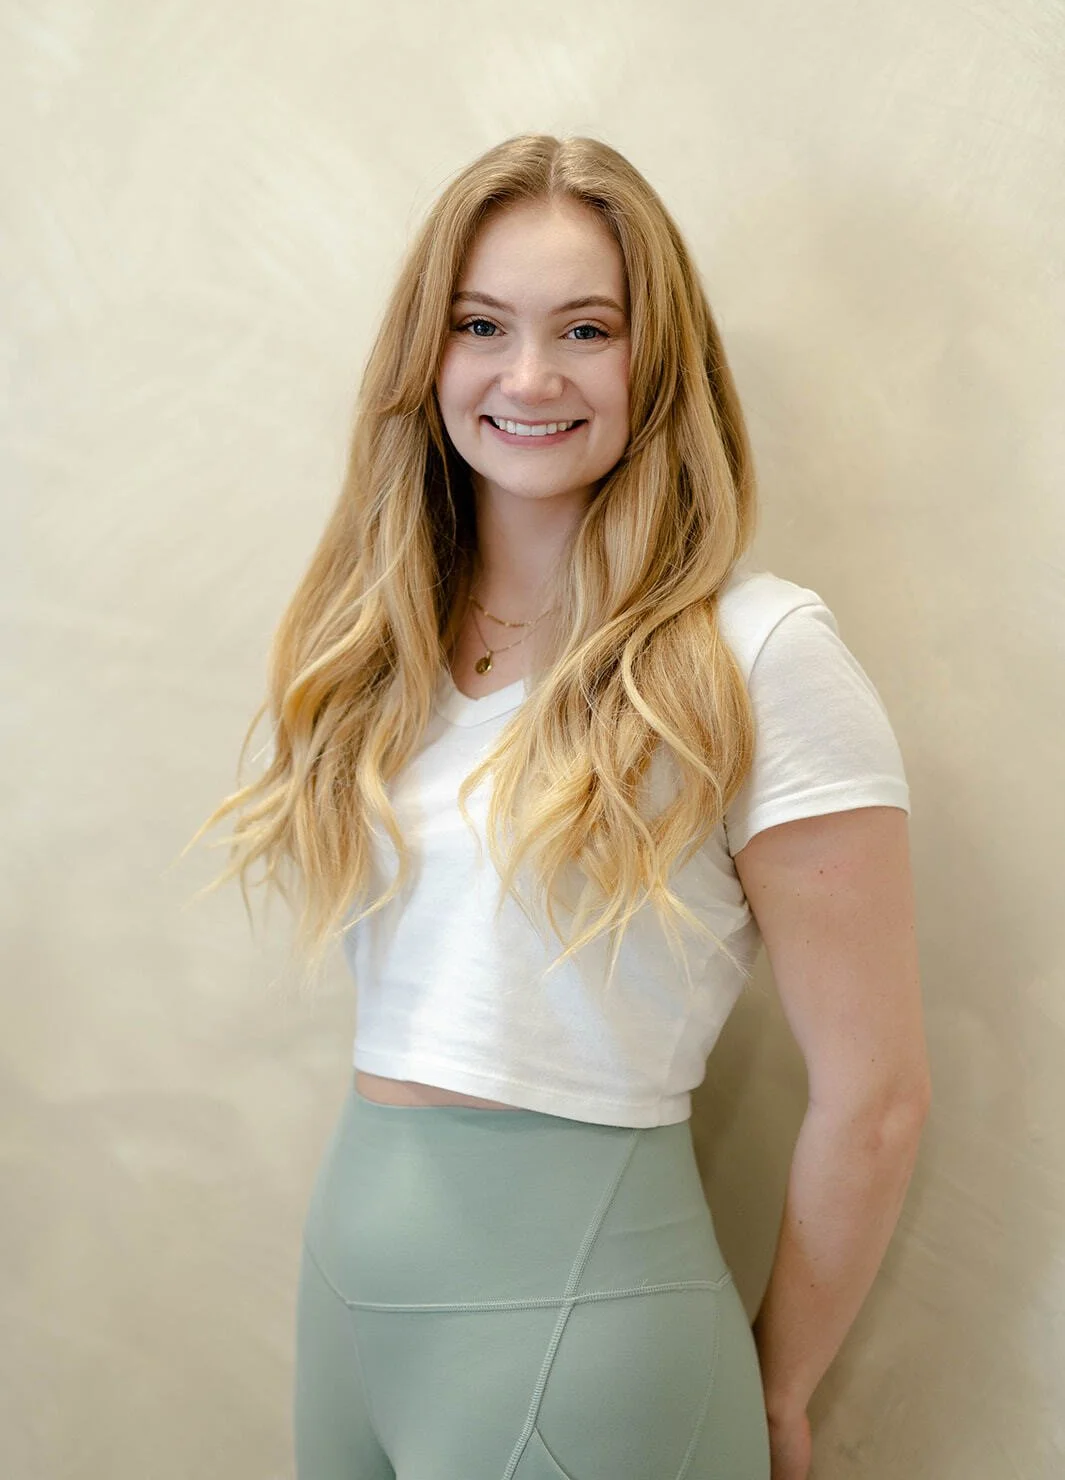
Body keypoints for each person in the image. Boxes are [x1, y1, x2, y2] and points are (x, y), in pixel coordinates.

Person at [188, 134, 931, 1480]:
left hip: (587, 1343)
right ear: (428, 355)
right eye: (482, 325)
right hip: (347, 1309)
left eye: (586, 329)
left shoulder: (759, 654)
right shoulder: (384, 646)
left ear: (659, 363)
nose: (528, 376)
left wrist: (778, 1389)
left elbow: (875, 1097)